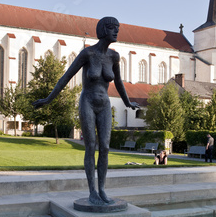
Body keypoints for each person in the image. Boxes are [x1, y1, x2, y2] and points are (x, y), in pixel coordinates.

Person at [33, 17, 139, 205]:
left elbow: (119, 83)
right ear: (103, 30)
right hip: (87, 102)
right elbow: (66, 78)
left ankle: (103, 190)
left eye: (118, 28)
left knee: (105, 147)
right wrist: (48, 99)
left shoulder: (114, 57)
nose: (116, 31)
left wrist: (128, 102)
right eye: (112, 28)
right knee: (91, 146)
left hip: (105, 104)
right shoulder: (88, 54)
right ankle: (92, 192)